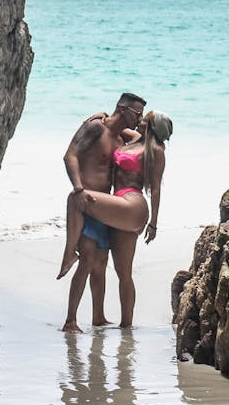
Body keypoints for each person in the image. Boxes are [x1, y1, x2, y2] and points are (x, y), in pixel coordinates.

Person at [73, 110, 172, 328]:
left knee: (123, 271)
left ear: (152, 126)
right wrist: (102, 115)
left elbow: (155, 189)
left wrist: (154, 222)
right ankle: (100, 318)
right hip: (116, 205)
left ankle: (126, 325)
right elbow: (111, 126)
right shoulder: (135, 138)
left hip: (132, 204)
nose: (140, 121)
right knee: (108, 266)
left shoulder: (156, 150)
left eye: (145, 120)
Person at [58, 93, 146, 333]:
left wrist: (109, 115)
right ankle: (70, 321)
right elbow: (70, 155)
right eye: (136, 113)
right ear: (122, 107)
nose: (138, 120)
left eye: (140, 116)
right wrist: (78, 188)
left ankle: (98, 317)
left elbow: (142, 137)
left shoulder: (121, 138)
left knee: (101, 264)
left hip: (105, 208)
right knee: (86, 260)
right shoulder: (95, 128)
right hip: (86, 202)